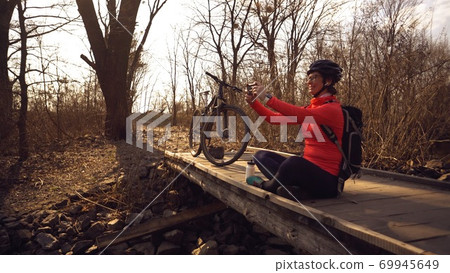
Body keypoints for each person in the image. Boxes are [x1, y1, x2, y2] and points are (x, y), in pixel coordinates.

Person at [245, 60, 344, 199]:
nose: (309, 82)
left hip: (327, 181)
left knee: (293, 163)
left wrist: (267, 98)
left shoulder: (331, 109)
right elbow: (273, 119)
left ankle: (266, 186)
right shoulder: (312, 108)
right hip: (306, 172)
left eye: (314, 77)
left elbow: (298, 113)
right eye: (308, 78)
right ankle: (296, 189)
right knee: (261, 157)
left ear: (327, 81)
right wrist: (254, 103)